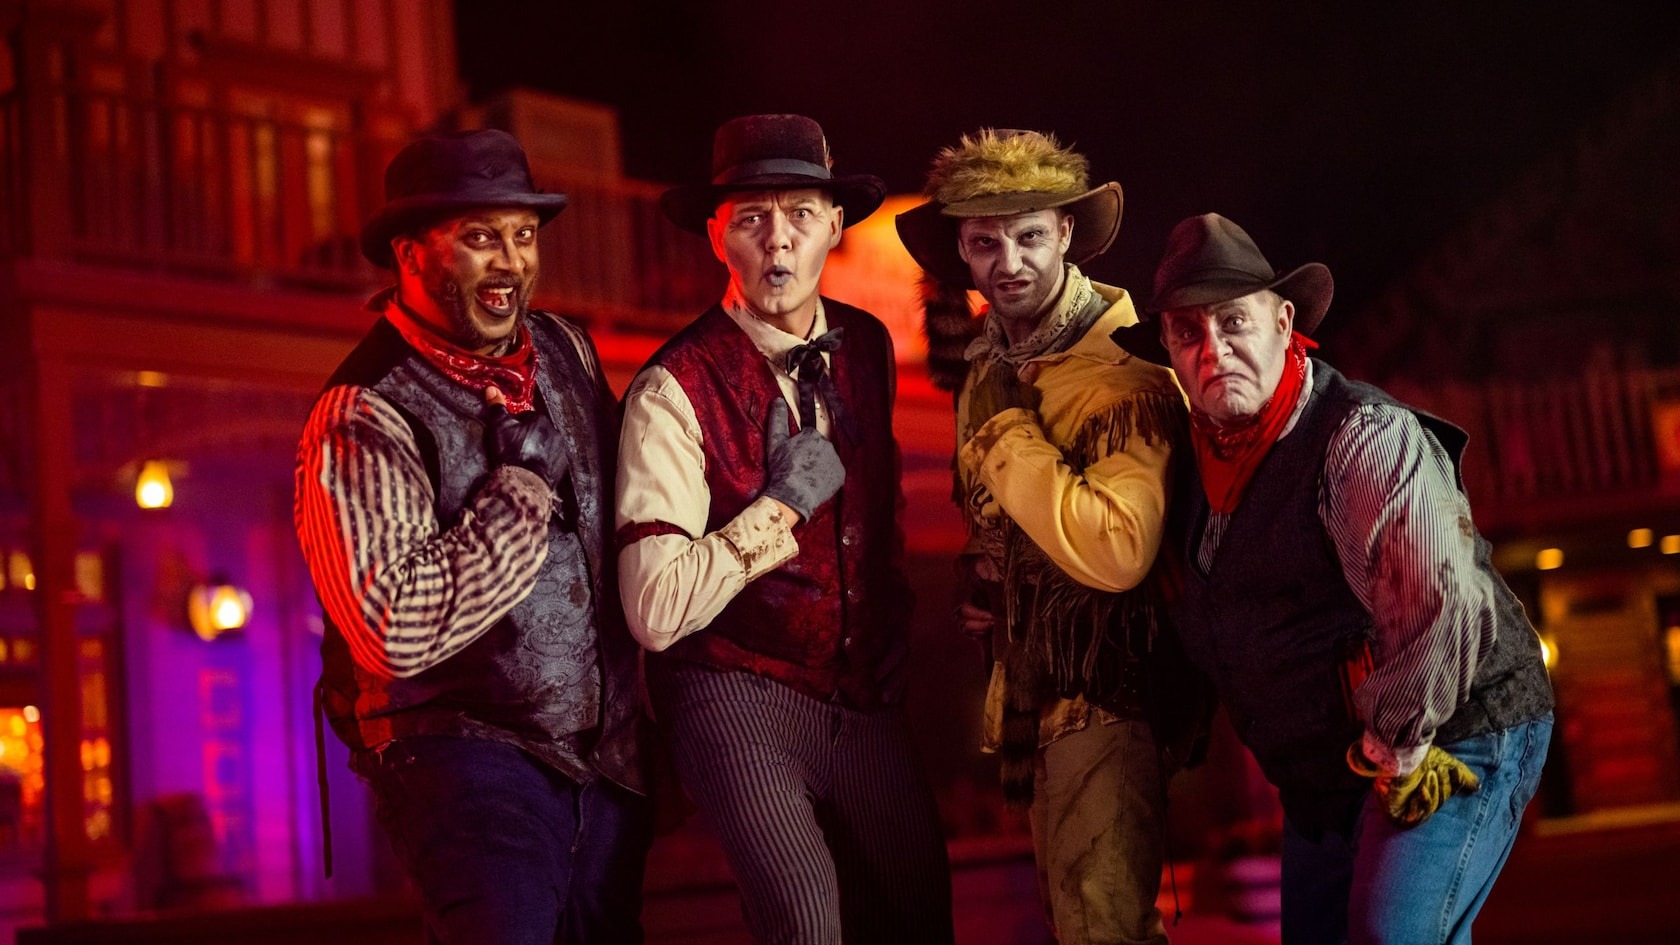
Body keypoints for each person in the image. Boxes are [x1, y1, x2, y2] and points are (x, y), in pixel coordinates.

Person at [1112, 213, 1555, 945]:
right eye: (1188, 331)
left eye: (1233, 321)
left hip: (1451, 730)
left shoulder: (1360, 437)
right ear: (1167, 348)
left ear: (1284, 323)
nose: (1213, 348)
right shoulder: (1188, 469)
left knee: (1391, 935)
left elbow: (1439, 605)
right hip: (1324, 773)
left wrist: (1399, 746)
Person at [294, 129, 649, 945]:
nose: (511, 263)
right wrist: (517, 495)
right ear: (410, 253)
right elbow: (394, 628)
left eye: (523, 237)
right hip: (461, 755)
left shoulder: (564, 347)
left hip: (605, 757)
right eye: (481, 237)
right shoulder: (361, 412)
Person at [614, 114, 954, 945]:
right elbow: (652, 609)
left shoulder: (867, 345)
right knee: (805, 918)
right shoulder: (671, 386)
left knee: (917, 906)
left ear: (835, 229)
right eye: (752, 217)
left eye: (801, 214)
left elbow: (884, 516)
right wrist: (778, 510)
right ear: (715, 234)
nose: (778, 241)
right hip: (731, 683)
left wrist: (892, 621)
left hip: (857, 691)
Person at [896, 128, 1201, 945]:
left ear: (1067, 234)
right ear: (960, 248)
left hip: (1111, 694)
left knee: (1104, 932)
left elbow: (1117, 551)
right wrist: (983, 571)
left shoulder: (1124, 373)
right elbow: (1010, 518)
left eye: (1030, 235)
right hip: (1036, 700)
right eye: (985, 241)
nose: (1009, 262)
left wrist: (1005, 431)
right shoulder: (993, 367)